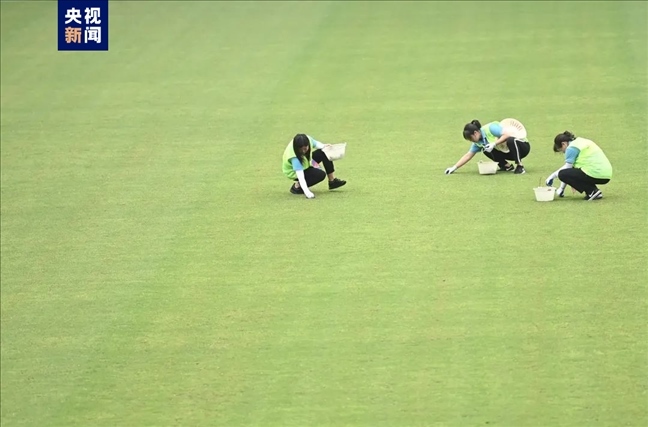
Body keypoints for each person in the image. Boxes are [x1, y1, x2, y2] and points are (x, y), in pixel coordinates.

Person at [445, 119, 531, 175]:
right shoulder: (478, 142)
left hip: (522, 147)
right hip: (508, 152)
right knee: (485, 149)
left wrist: (494, 143)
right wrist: (454, 167)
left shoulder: (491, 128)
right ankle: (506, 166)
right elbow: (468, 155)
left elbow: (508, 134)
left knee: (510, 140)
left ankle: (520, 166)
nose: (472, 141)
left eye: (471, 139)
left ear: (475, 133)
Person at [545, 131, 612, 201]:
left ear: (563, 144)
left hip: (595, 172)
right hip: (606, 174)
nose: (564, 153)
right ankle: (594, 191)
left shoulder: (571, 148)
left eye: (562, 150)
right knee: (567, 172)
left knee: (561, 174)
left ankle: (592, 191)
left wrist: (551, 177)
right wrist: (561, 189)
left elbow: (565, 171)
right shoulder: (580, 142)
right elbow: (568, 171)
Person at [282, 133, 347, 199]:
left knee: (324, 151)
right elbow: (301, 177)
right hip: (294, 172)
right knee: (320, 174)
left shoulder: (308, 139)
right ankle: (297, 187)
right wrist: (307, 193)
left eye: (305, 149)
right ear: (296, 148)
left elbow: (316, 144)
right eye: (301, 150)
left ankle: (332, 181)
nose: (303, 151)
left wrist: (324, 146)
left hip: (306, 163)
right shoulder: (295, 158)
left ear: (308, 144)